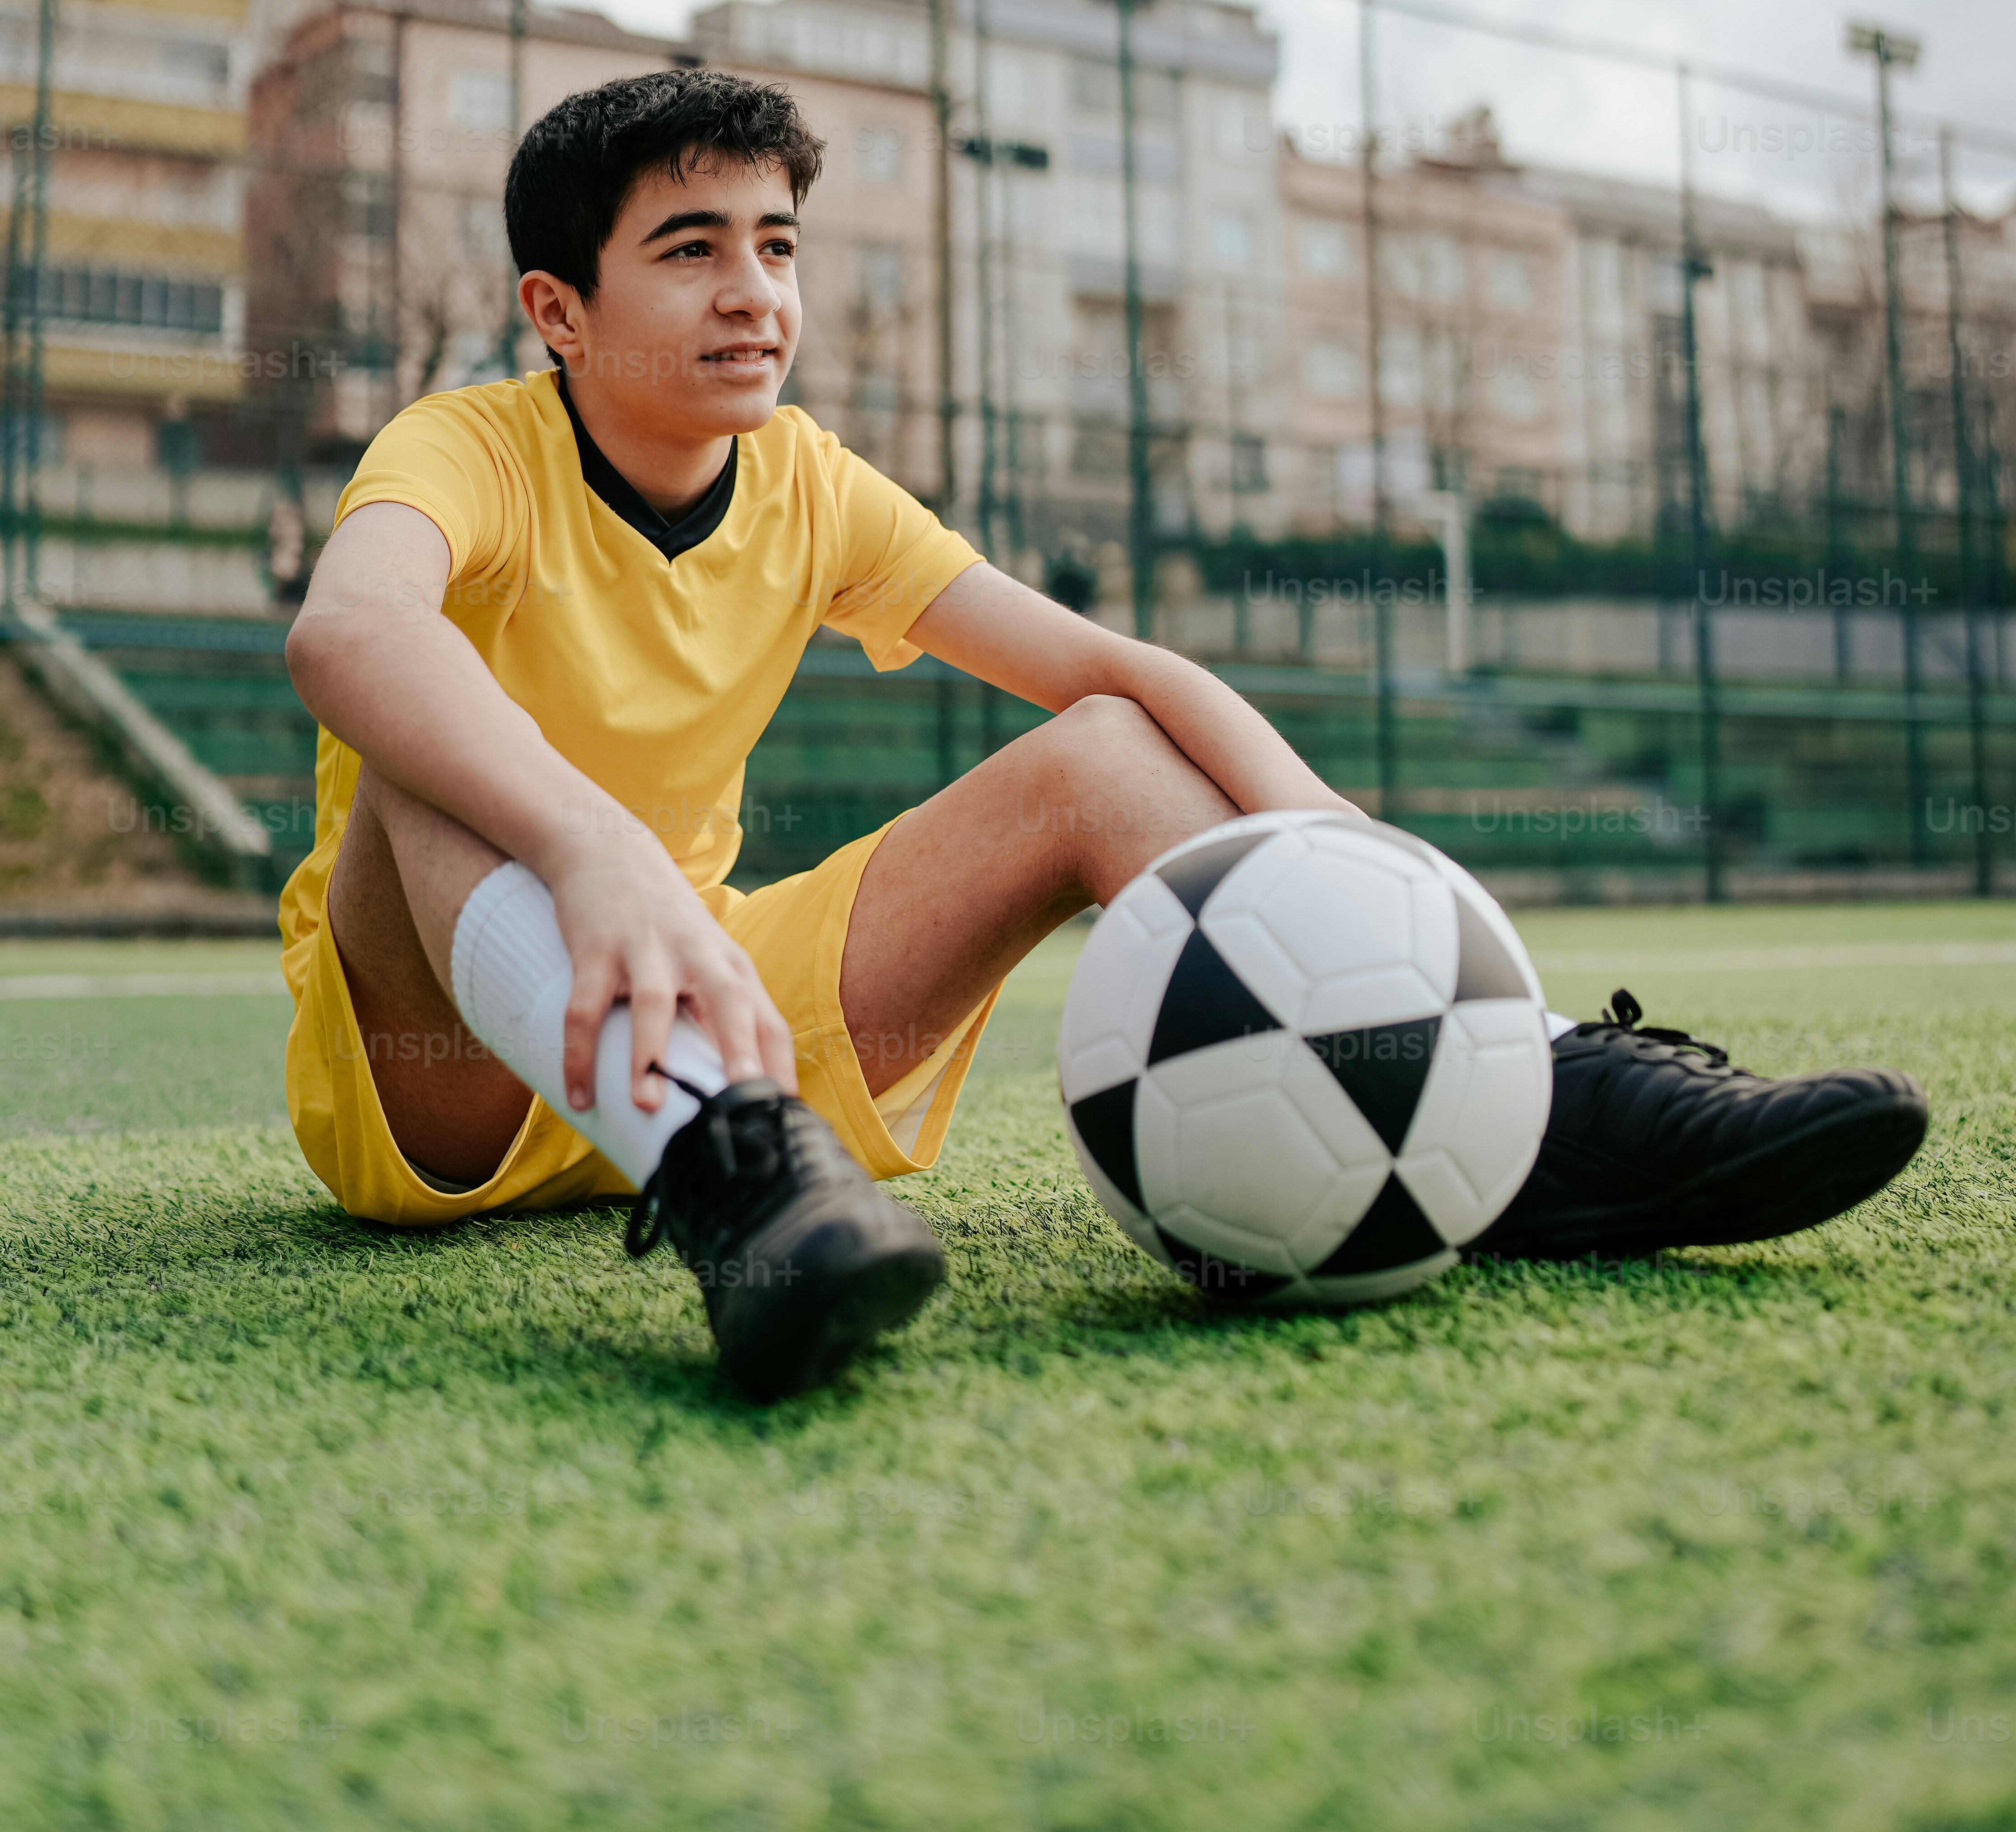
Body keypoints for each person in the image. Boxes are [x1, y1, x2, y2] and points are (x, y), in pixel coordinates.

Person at [281, 69, 1928, 1401]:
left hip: (727, 1011)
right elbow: (350, 632)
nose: (755, 293)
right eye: (693, 248)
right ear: (559, 311)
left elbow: (1114, 669)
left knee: (1104, 751)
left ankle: (1532, 1098)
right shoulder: (466, 446)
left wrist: (1341, 841)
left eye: (778, 246)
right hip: (446, 1073)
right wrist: (589, 850)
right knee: (425, 778)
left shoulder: (806, 478)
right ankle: (731, 1197)